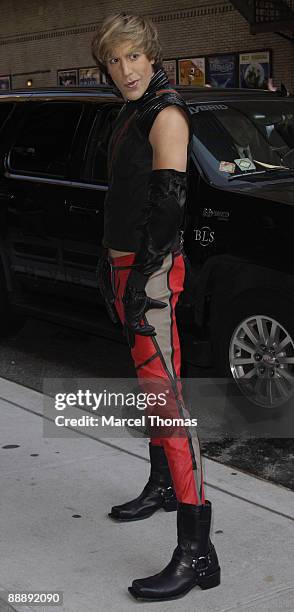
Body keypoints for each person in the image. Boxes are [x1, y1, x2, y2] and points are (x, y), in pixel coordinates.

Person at [92, 13, 220, 601]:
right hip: (127, 268)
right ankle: (162, 485)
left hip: (151, 275)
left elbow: (169, 210)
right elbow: (126, 196)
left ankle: (197, 554)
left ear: (151, 54)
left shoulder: (166, 113)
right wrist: (111, 264)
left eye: (133, 57)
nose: (124, 71)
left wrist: (142, 283)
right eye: (114, 61)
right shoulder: (131, 109)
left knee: (169, 405)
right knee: (152, 393)